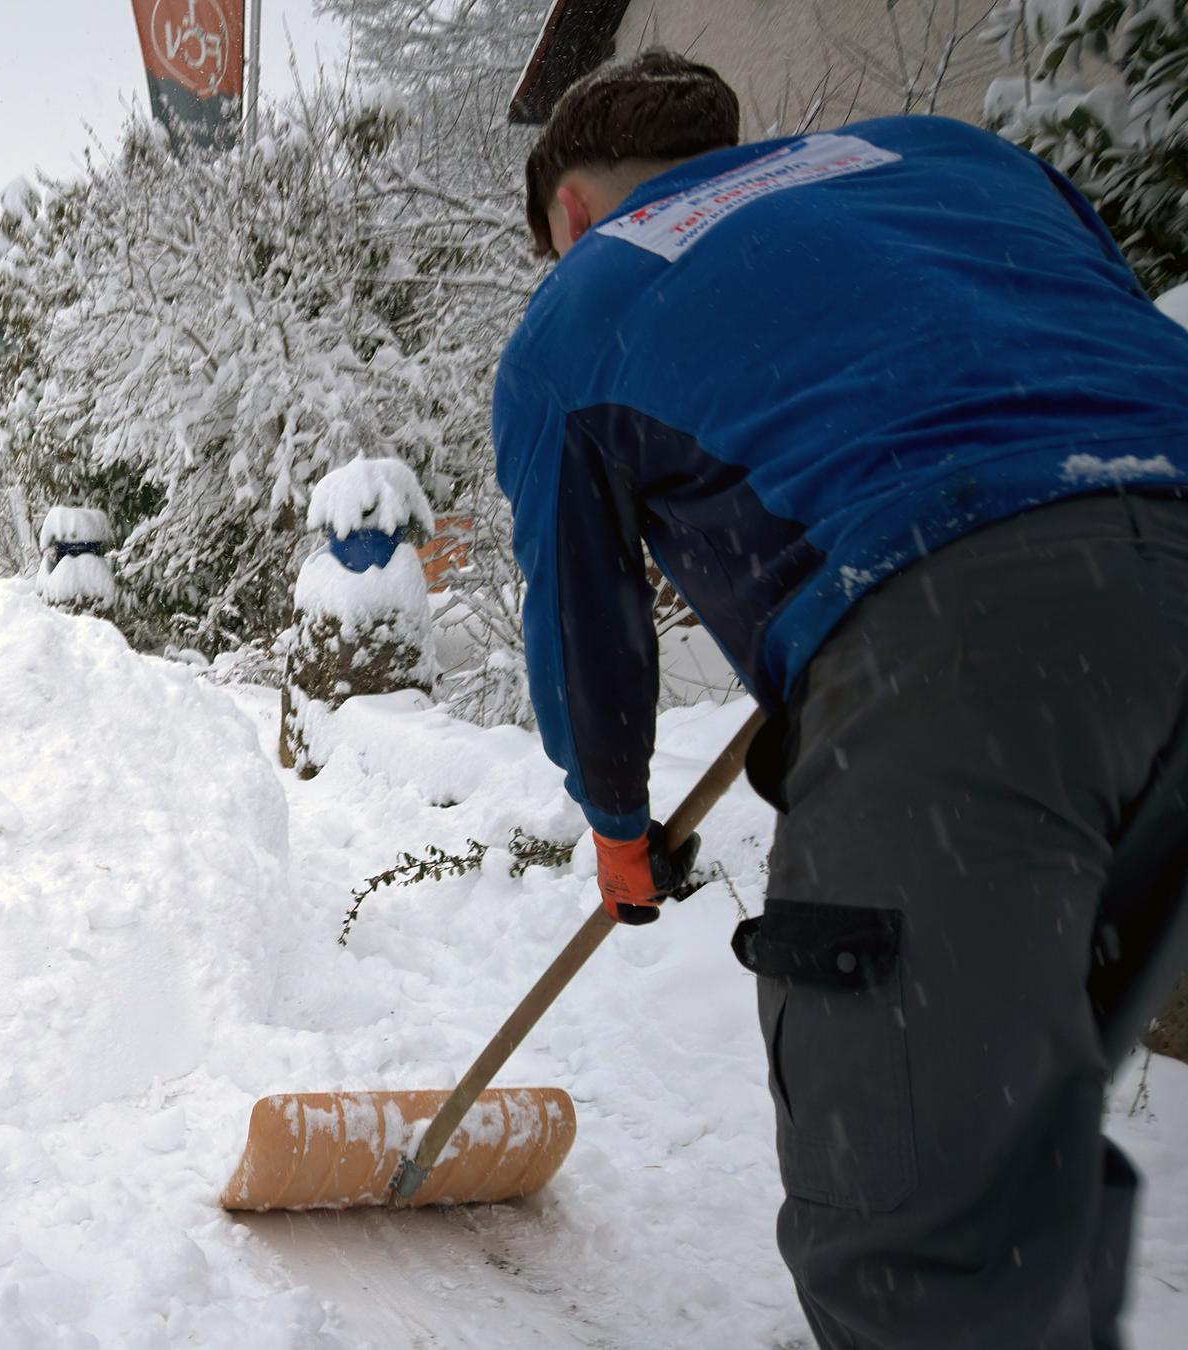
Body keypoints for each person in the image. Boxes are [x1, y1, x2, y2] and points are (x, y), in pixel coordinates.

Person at [493, 49, 1188, 1348]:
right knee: (1007, 1124)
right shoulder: (950, 156)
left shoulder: (582, 303)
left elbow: (588, 627)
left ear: (570, 212)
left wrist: (619, 827)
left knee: (925, 1226)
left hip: (965, 639)